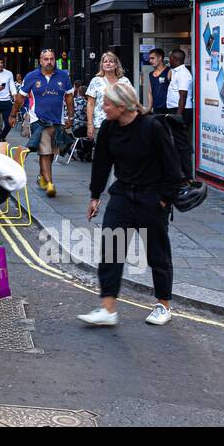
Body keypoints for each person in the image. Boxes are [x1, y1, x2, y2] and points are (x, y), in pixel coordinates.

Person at [78, 81, 182, 328]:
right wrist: (95, 196)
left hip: (152, 198)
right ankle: (108, 308)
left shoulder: (152, 126)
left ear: (122, 106)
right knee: (111, 250)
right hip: (122, 196)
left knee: (157, 253)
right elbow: (101, 164)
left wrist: (164, 199)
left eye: (106, 104)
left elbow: (172, 167)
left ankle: (163, 305)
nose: (102, 108)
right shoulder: (109, 129)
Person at [16, 48, 73, 196]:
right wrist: (12, 114)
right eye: (46, 59)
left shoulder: (63, 76)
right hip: (39, 121)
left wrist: (70, 117)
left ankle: (42, 176)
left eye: (52, 59)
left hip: (57, 121)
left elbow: (69, 97)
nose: (49, 62)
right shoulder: (31, 76)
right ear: (40, 61)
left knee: (51, 152)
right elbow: (20, 97)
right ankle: (50, 184)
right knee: (45, 152)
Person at [85, 52, 132, 142]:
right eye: (105, 61)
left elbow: (130, 102)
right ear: (102, 65)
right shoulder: (96, 81)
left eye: (111, 61)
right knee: (102, 153)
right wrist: (90, 125)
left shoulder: (124, 81)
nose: (108, 63)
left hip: (121, 124)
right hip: (100, 124)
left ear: (116, 65)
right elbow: (90, 104)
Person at [166, 48, 194, 181]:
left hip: (181, 110)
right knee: (176, 142)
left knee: (181, 143)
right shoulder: (175, 72)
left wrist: (178, 116)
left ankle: (187, 175)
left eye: (170, 58)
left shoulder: (183, 73)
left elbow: (183, 95)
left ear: (176, 59)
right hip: (174, 109)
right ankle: (180, 171)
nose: (168, 60)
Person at [145, 48, 172, 115]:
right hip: (156, 109)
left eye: (152, 58)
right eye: (149, 59)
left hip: (168, 109)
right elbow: (150, 92)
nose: (150, 61)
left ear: (160, 58)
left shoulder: (169, 71)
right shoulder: (151, 74)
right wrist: (149, 108)